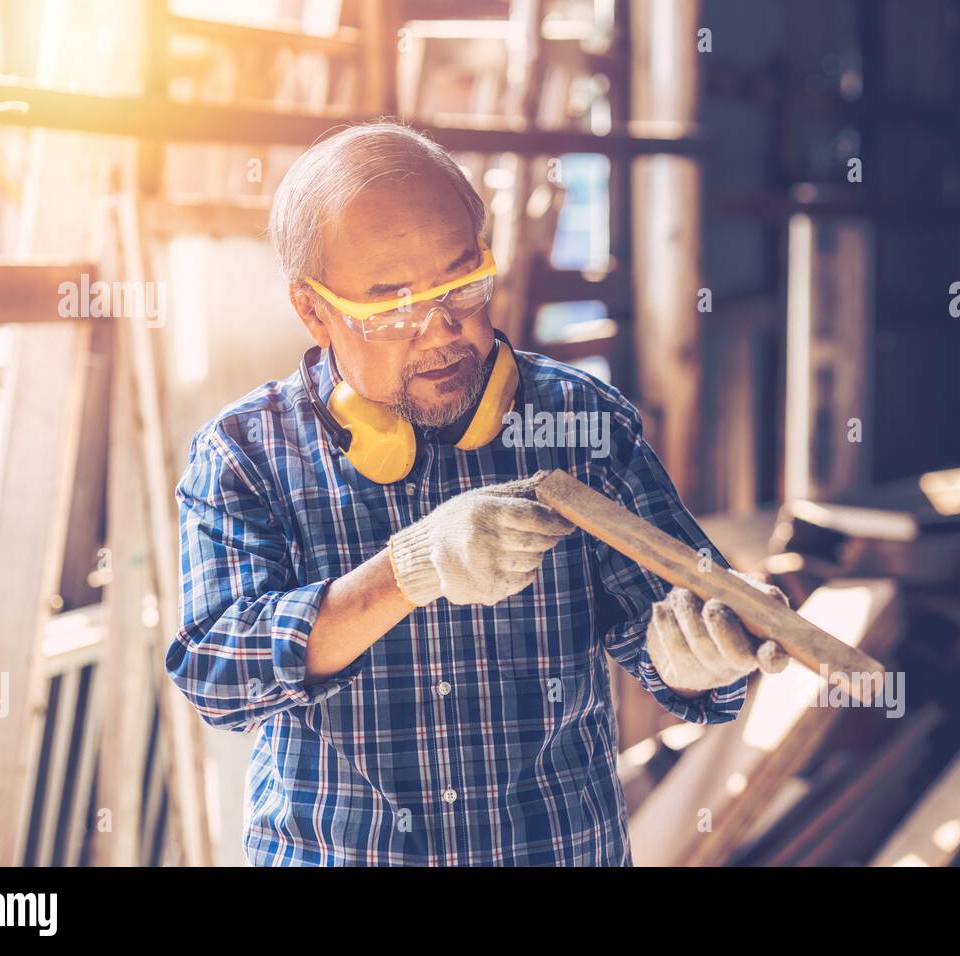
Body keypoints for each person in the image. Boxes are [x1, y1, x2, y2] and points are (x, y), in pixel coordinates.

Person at [167, 121, 789, 866]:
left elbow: (681, 620)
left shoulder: (578, 425)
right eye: (393, 305)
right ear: (312, 310)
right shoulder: (244, 457)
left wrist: (700, 661)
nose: (440, 332)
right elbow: (218, 677)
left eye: (462, 285)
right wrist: (408, 572)